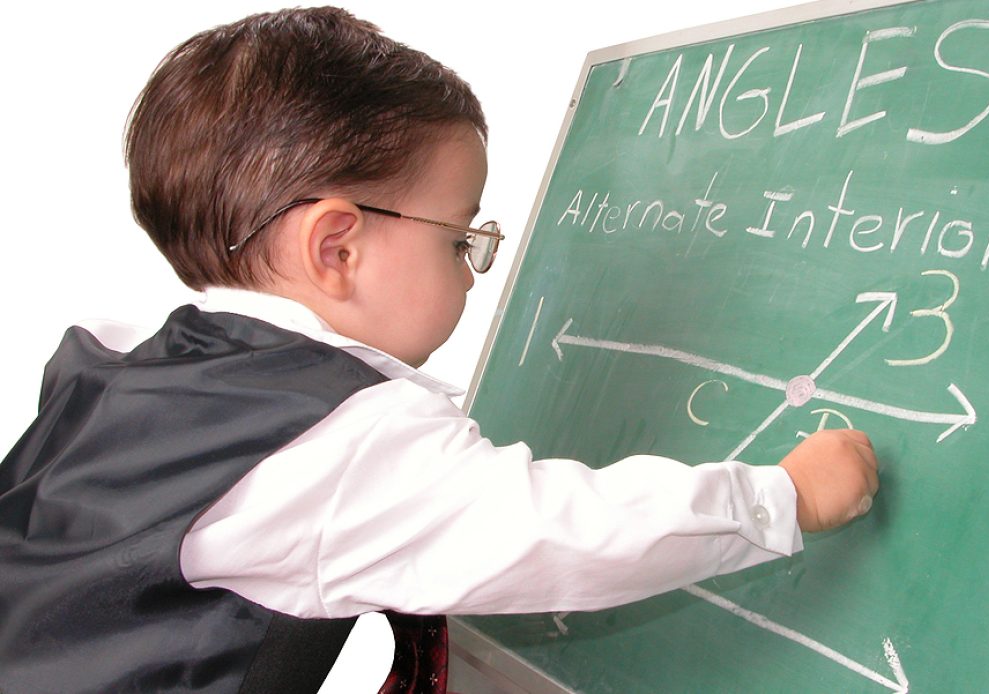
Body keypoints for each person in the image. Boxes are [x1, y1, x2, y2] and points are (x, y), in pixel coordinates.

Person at [0, 7, 879, 693]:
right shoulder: (338, 442)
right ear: (336, 249)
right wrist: (780, 497)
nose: (475, 270)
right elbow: (568, 533)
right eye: (460, 239)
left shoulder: (125, 360)